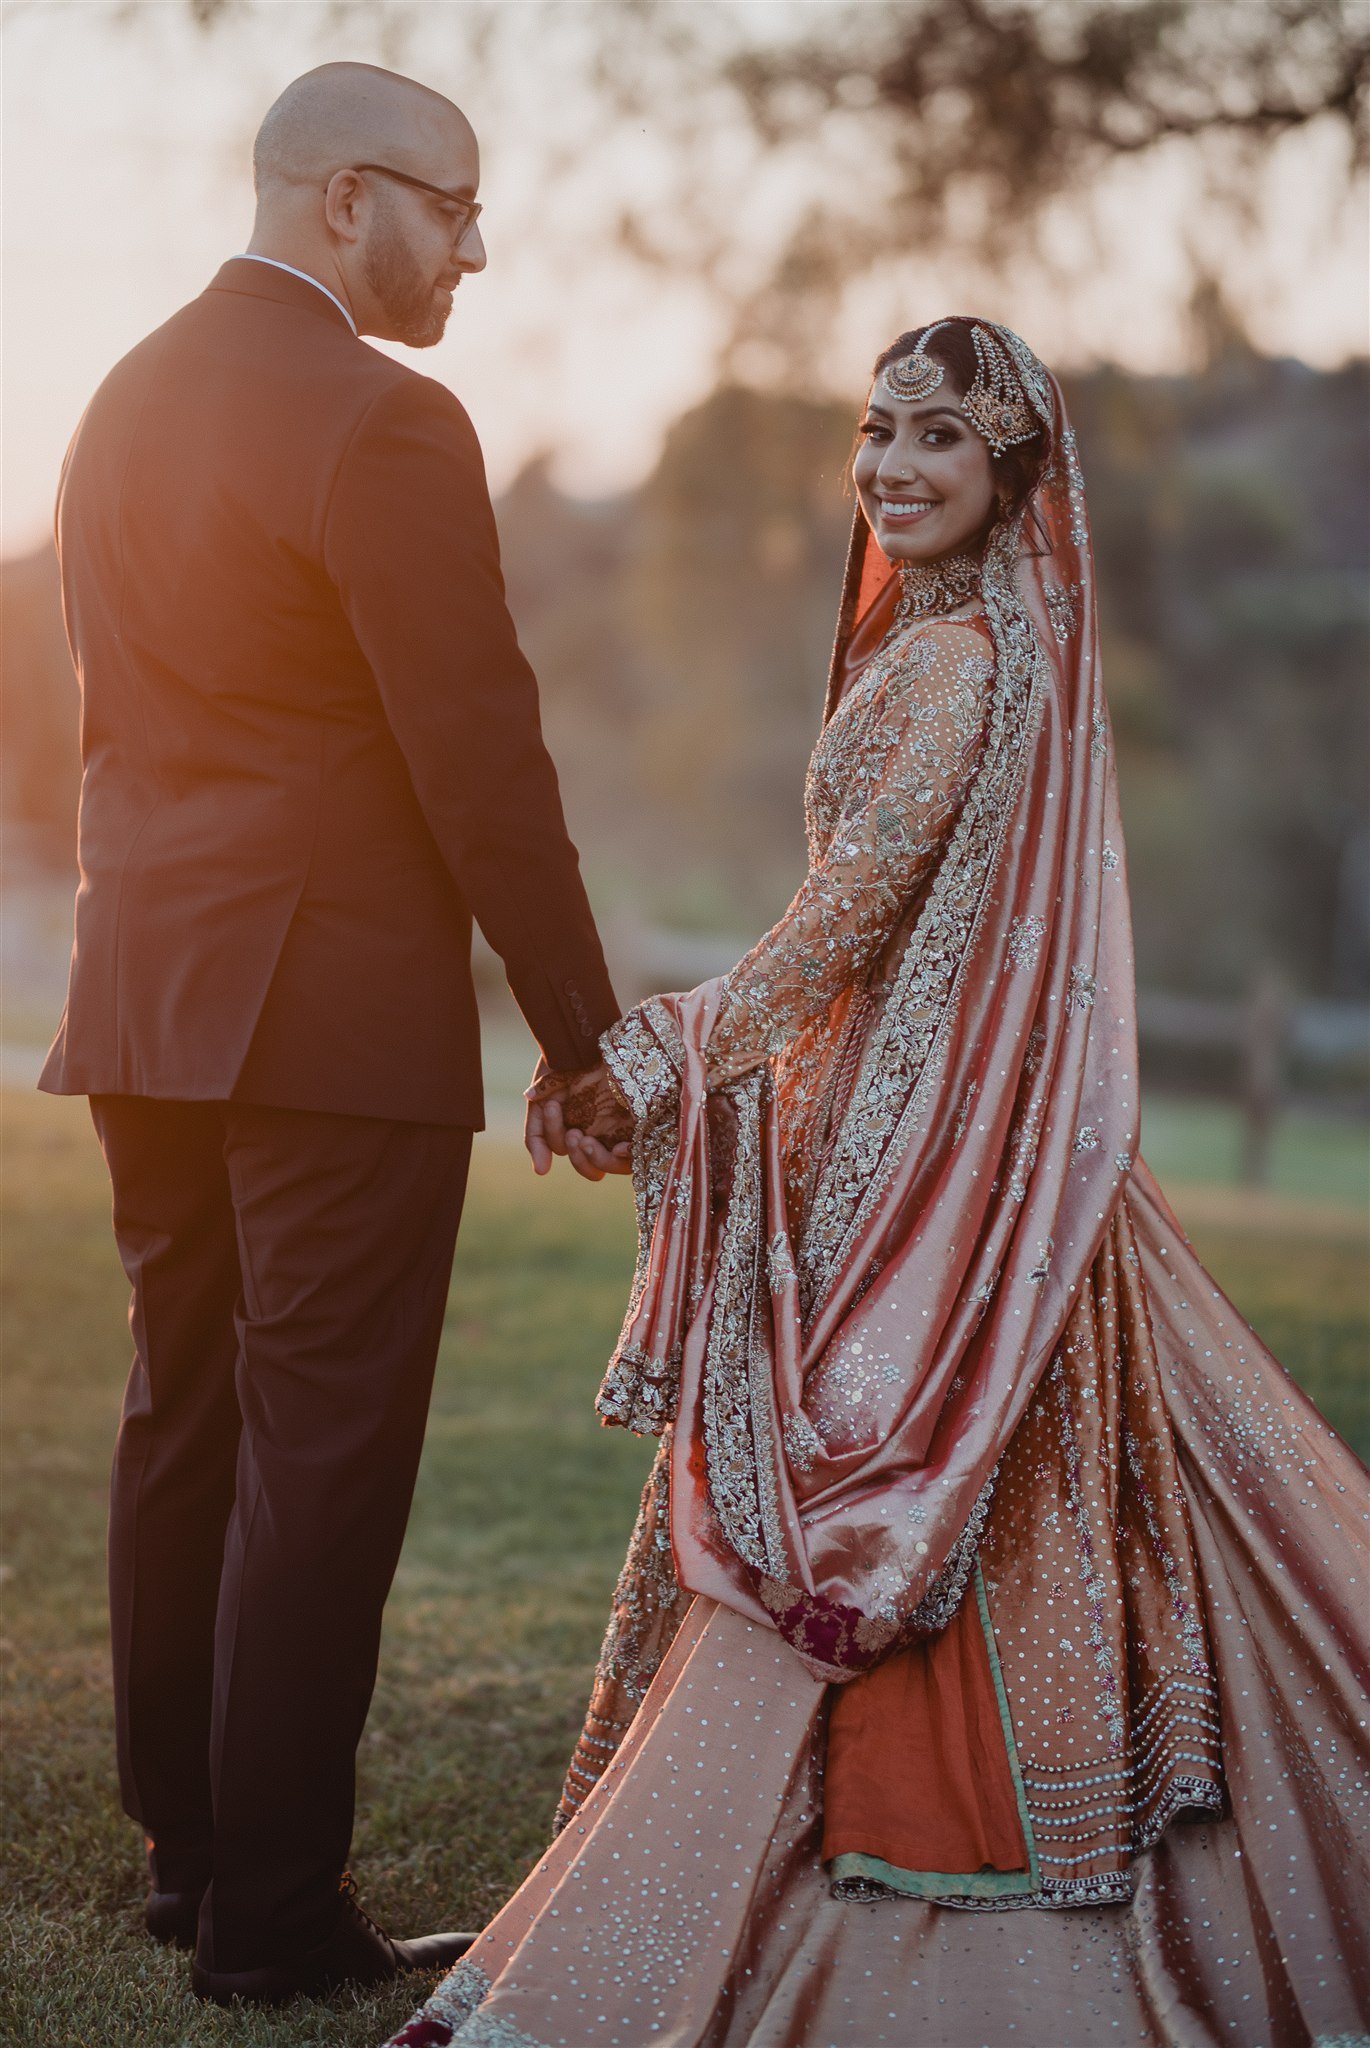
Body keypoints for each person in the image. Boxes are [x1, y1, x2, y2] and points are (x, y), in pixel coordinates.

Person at [389, 319, 1370, 2047]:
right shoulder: (981, 645)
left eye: (939, 439)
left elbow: (843, 924)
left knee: (907, 1485)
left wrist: (647, 1054)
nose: (894, 468)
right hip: (946, 1147)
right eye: (877, 431)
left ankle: (850, 1911)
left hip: (927, 1171)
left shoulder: (958, 663)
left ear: (1011, 476)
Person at [39, 61, 628, 2008]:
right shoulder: (386, 418)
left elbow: (117, 717)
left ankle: (192, 1858)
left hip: (143, 992)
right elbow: (476, 749)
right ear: (339, 198)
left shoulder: (114, 396)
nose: (475, 248)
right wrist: (579, 1030)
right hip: (328, 1015)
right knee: (317, 1453)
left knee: (181, 1415)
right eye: (452, 208)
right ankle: (273, 1916)